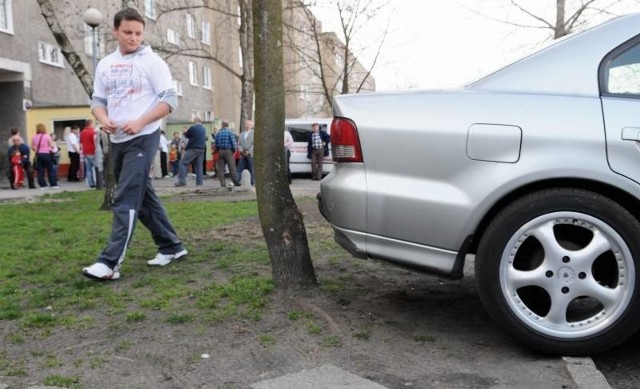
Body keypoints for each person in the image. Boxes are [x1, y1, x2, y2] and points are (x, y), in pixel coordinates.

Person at [82, 7, 187, 281]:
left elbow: (169, 100)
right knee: (142, 199)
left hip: (144, 136)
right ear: (115, 31)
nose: (133, 38)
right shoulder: (105, 64)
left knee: (126, 197)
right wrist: (103, 118)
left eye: (138, 33)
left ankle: (109, 263)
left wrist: (140, 122)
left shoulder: (152, 62)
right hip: (117, 139)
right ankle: (172, 247)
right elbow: (98, 101)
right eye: (127, 32)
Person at [175, 117, 206, 187]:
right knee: (199, 166)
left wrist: (184, 132)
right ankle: (199, 183)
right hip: (201, 149)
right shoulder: (203, 129)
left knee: (182, 162)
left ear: (195, 121)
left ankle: (182, 181)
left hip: (193, 148)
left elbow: (187, 135)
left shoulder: (193, 128)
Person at [31, 123, 59, 189]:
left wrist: (37, 149)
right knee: (50, 170)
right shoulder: (47, 136)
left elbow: (32, 147)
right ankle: (53, 184)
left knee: (40, 171)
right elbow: (52, 145)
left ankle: (43, 185)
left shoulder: (34, 137)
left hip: (39, 155)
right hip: (47, 154)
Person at [214, 120, 240, 188]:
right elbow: (234, 143)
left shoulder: (218, 133)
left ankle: (223, 184)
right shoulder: (230, 132)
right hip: (228, 152)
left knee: (221, 169)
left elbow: (215, 144)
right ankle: (236, 182)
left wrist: (217, 150)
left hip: (220, 151)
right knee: (232, 168)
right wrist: (234, 151)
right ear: (228, 125)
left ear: (222, 125)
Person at [236, 119, 255, 186]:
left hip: (251, 154)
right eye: (246, 124)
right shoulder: (241, 134)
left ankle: (252, 183)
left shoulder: (254, 133)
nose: (247, 125)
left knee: (251, 169)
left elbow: (254, 144)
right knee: (239, 168)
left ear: (252, 125)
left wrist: (249, 151)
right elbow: (239, 144)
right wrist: (241, 150)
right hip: (242, 154)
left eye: (249, 124)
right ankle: (237, 181)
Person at [80, 119, 97, 187]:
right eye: (93, 124)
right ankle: (99, 182)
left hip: (85, 152)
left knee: (88, 169)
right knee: (98, 167)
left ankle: (91, 183)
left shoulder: (82, 132)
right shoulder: (93, 132)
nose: (94, 125)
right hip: (92, 152)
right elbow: (95, 142)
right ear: (90, 124)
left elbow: (81, 142)